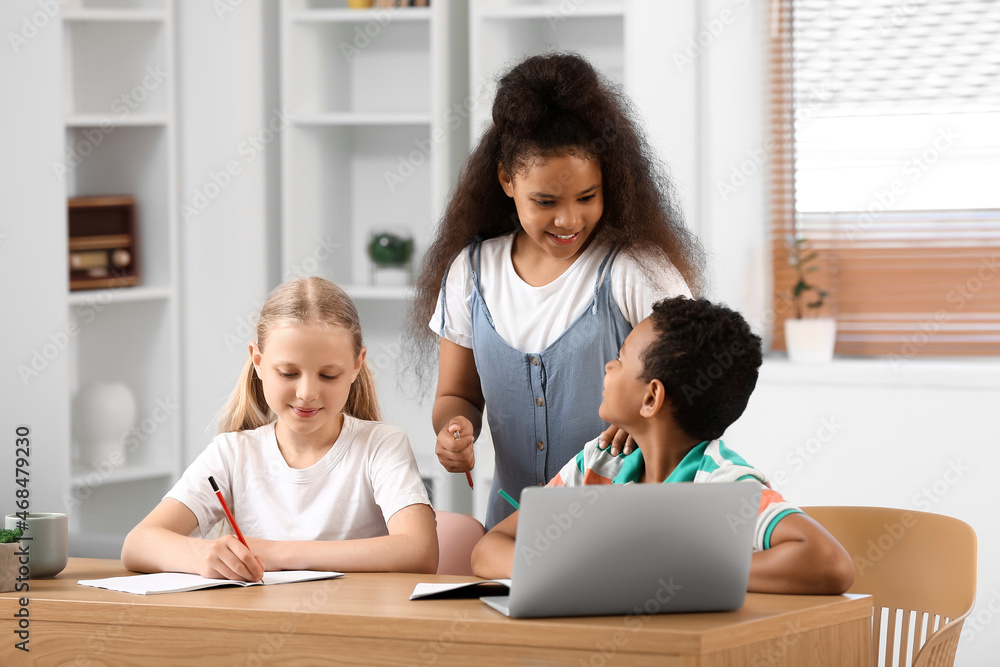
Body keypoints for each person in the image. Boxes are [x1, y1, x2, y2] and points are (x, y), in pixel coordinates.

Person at [407, 52, 706, 529]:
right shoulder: (472, 272)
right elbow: (457, 394)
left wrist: (639, 416)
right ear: (506, 180)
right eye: (545, 201)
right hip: (510, 532)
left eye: (587, 197)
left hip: (625, 528)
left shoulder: (633, 269)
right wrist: (453, 430)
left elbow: (697, 375)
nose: (569, 220)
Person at [471, 296, 855, 594]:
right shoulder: (599, 463)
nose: (608, 367)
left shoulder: (721, 485)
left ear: (651, 398)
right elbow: (490, 548)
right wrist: (566, 568)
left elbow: (831, 563)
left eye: (620, 359)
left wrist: (669, 574)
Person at [122, 277, 438, 580]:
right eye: (288, 373)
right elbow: (138, 544)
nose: (307, 393)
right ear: (257, 361)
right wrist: (203, 556)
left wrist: (281, 554)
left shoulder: (380, 446)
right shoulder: (232, 453)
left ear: (357, 365)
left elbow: (419, 550)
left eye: (328, 376)